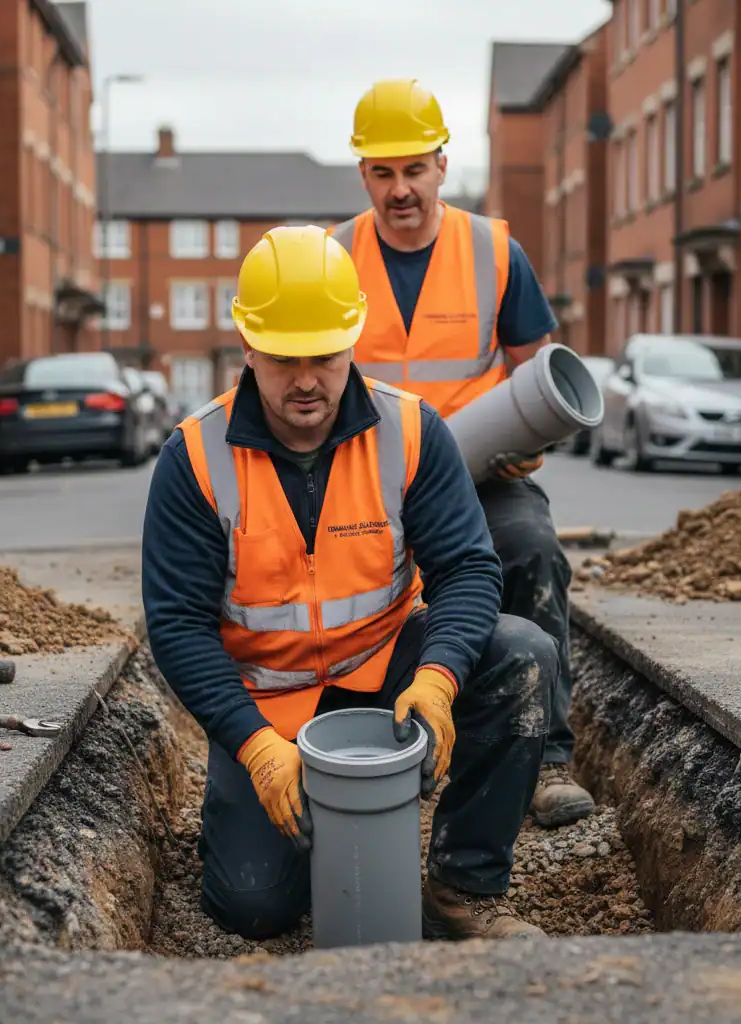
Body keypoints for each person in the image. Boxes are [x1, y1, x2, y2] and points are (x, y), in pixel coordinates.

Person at [141, 224, 557, 942]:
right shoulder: (195, 459)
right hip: (267, 705)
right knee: (256, 909)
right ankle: (240, 812)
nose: (306, 379)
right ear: (247, 347)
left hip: (384, 666)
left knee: (524, 655)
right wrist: (253, 745)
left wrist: (438, 677)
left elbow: (467, 567)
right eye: (282, 358)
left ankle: (463, 884)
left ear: (353, 340)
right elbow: (176, 625)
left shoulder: (411, 431)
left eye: (325, 356)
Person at [327, 78, 593, 828]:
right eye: (383, 173)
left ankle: (547, 762)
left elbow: (536, 372)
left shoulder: (493, 250)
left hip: (480, 476)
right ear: (364, 175)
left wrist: (527, 445)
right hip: (370, 479)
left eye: (413, 169)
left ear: (442, 164)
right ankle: (378, 745)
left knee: (534, 552)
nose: (400, 189)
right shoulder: (334, 258)